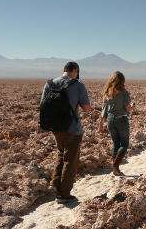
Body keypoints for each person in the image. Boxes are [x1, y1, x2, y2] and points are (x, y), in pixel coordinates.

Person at [40, 61, 92, 203]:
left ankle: (55, 185)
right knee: (71, 160)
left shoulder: (50, 83)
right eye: (77, 72)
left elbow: (42, 105)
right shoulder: (78, 84)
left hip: (55, 127)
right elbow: (86, 108)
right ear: (74, 70)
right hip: (72, 128)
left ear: (64, 70)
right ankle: (64, 194)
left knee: (61, 154)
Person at [99, 71, 132, 176]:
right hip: (121, 119)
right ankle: (115, 166)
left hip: (110, 120)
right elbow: (128, 108)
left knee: (116, 143)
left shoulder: (107, 92)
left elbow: (104, 110)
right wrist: (132, 106)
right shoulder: (124, 92)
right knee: (124, 144)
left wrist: (100, 124)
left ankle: (115, 168)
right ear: (122, 80)